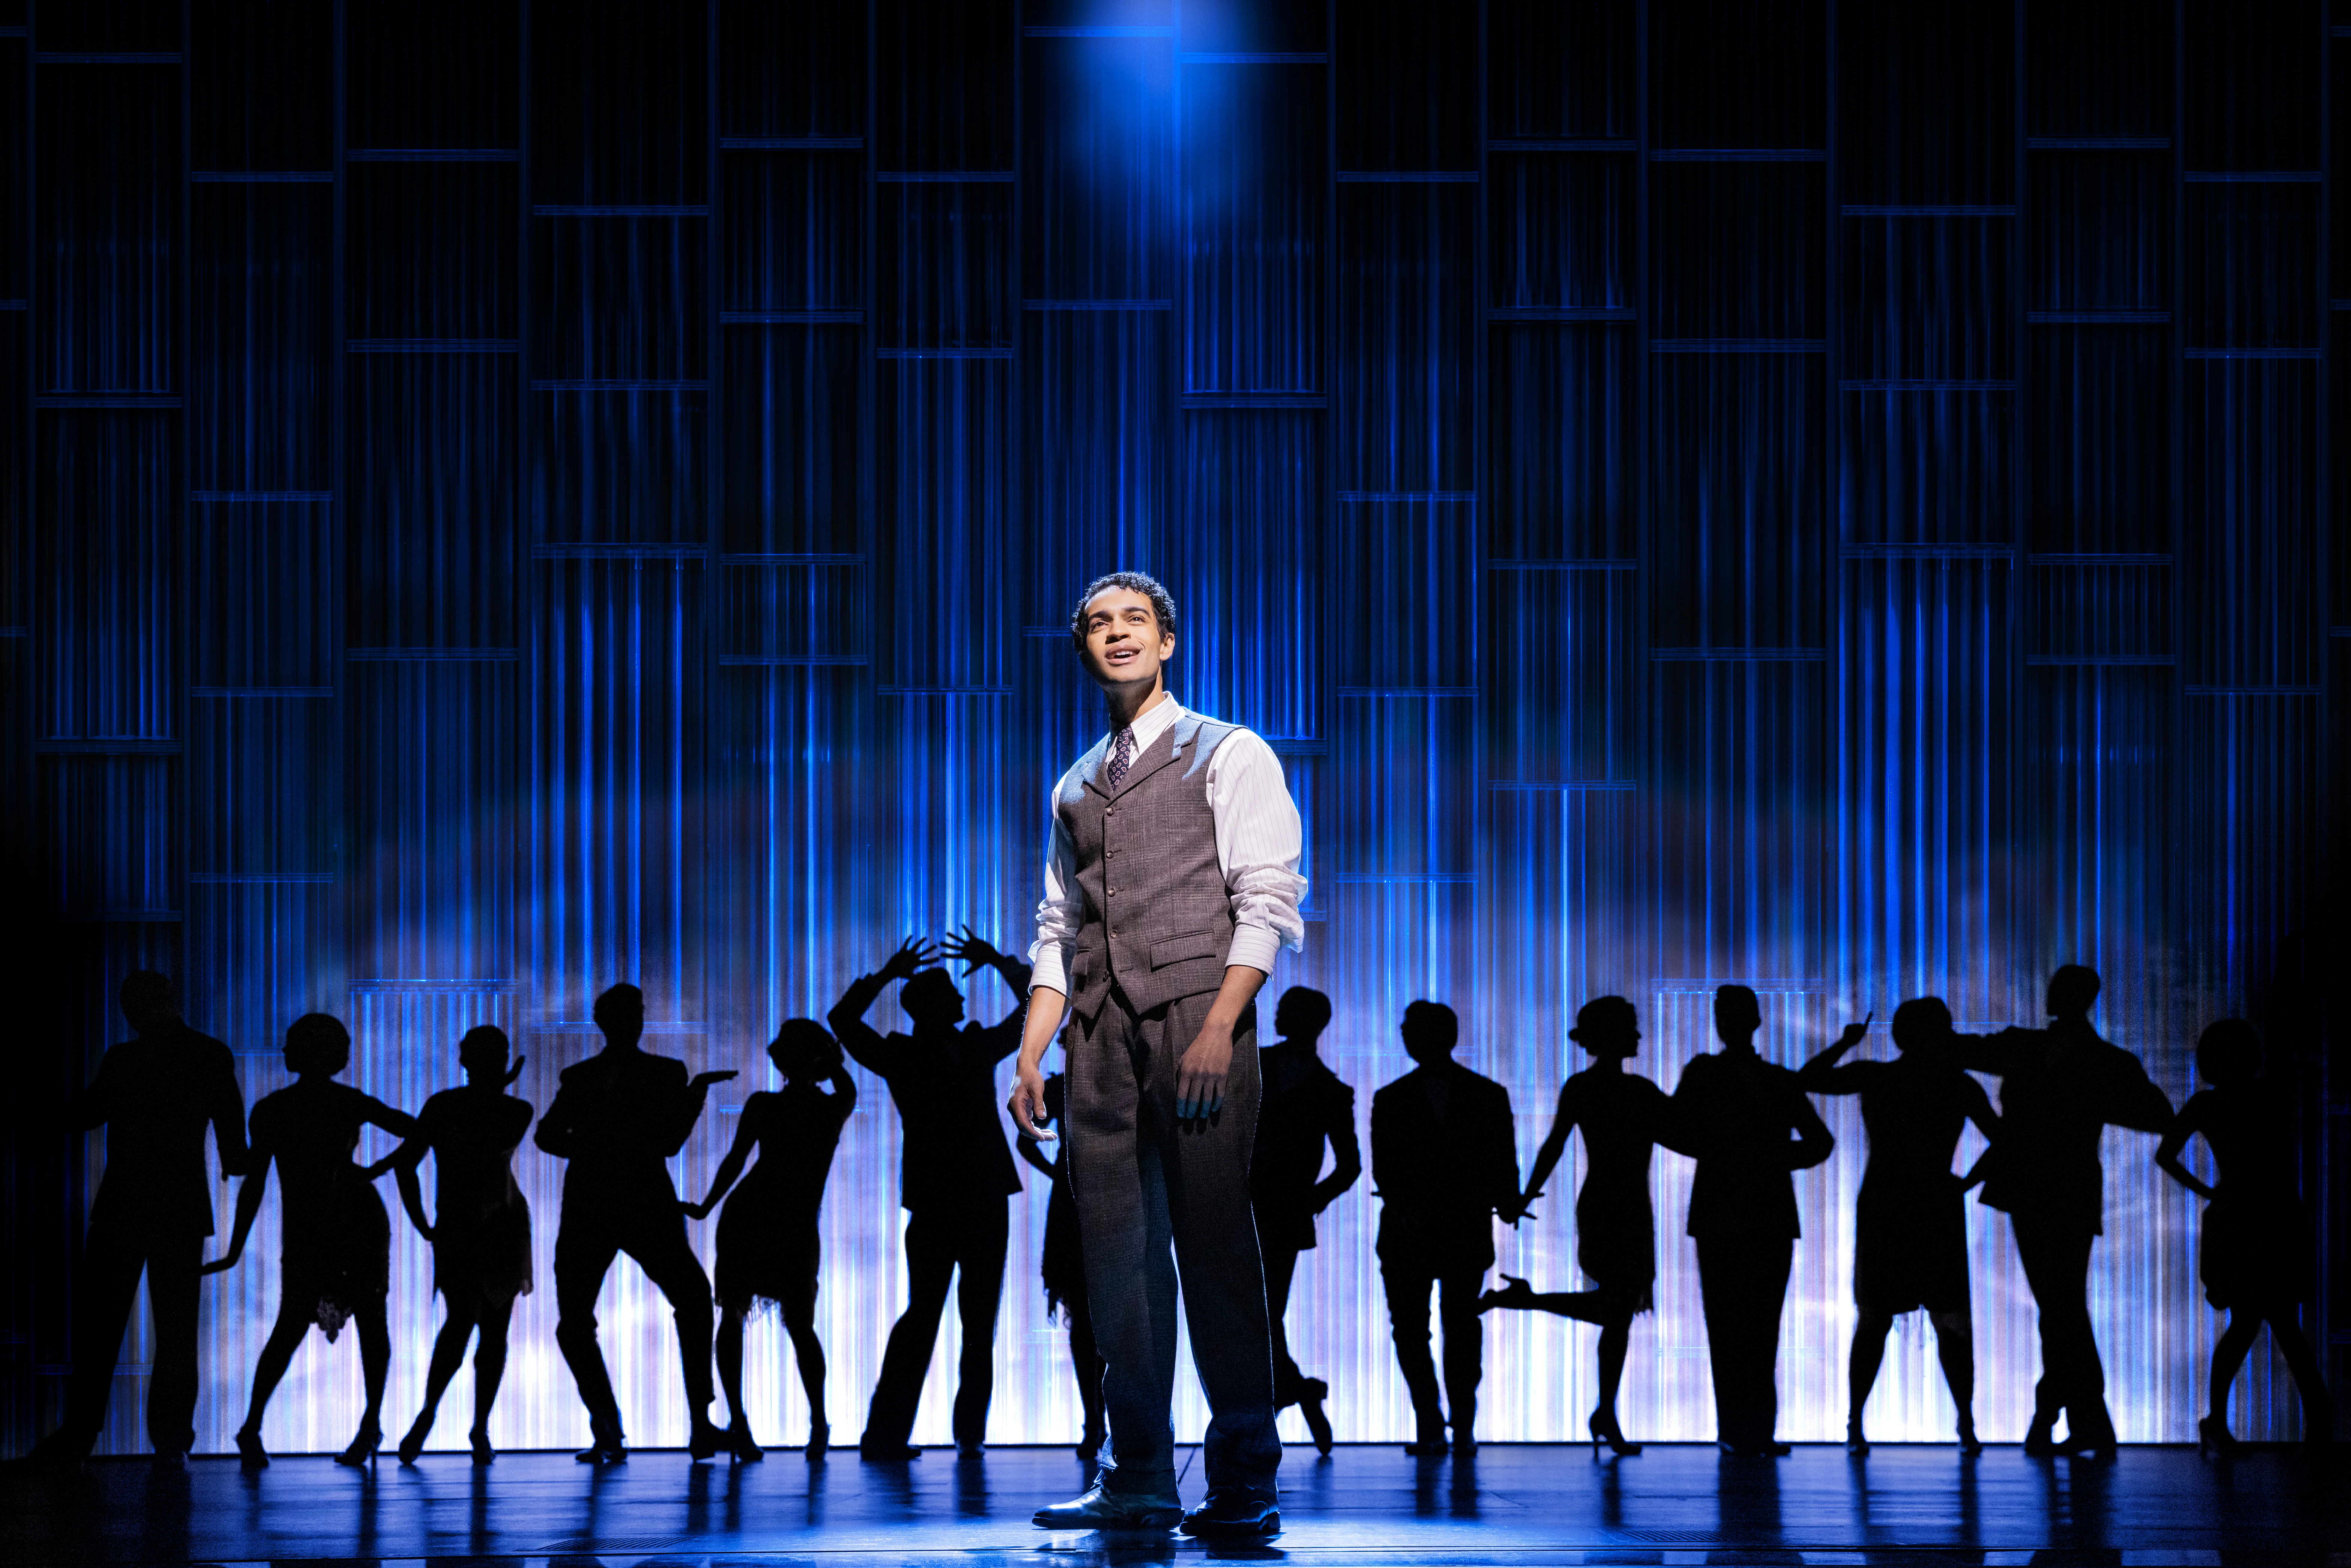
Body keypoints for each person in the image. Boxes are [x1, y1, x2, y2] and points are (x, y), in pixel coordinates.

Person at [1009, 570, 1306, 1537]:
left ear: (1167, 642)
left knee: (1218, 1245)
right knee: (1116, 1263)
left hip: (1194, 1020)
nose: (1117, 635)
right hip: (1095, 1035)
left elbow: (1266, 900)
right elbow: (1058, 925)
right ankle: (1137, 1470)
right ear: (1082, 647)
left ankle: (1244, 1479)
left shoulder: (1230, 751)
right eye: (1098, 623)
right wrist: (1028, 1055)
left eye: (1135, 620)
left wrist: (1220, 1027)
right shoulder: (1074, 784)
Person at [14, 971, 246, 1470]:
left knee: (100, 1328)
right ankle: (171, 1441)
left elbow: (84, 1115)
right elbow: (234, 1144)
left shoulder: (125, 1059)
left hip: (123, 1205)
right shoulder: (209, 1054)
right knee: (177, 1332)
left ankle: (79, 1437)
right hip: (180, 1210)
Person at [1955, 965, 2171, 1459]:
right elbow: (1964, 1050)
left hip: (2047, 1187)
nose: (2053, 992)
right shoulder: (2084, 1056)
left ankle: (2058, 1417)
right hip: (2048, 1188)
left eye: (2062, 987)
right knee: (2062, 1306)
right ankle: (2078, 1421)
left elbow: (2157, 1115)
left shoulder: (2065, 1055)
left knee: (2060, 1307)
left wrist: (2082, 1101)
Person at [830, 928, 1029, 1459]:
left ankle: (948, 1435)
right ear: (931, 1007)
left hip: (964, 1197)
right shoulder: (932, 1050)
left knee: (961, 1318)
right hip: (962, 1198)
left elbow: (844, 1023)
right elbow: (842, 1024)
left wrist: (889, 978)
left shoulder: (952, 1047)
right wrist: (997, 964)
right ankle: (906, 1435)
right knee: (940, 1316)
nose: (963, 1001)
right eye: (952, 995)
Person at [203, 1013, 418, 1469]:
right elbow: (419, 1130)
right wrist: (377, 1171)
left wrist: (235, 1249)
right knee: (362, 1325)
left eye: (291, 1044)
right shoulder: (343, 1102)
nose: (283, 1051)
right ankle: (366, 1425)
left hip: (321, 1225)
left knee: (296, 1326)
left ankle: (257, 1428)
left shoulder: (275, 1109)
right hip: (350, 1220)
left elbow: (256, 1183)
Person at [1480, 994, 1691, 1456]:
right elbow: (1687, 1139)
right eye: (1632, 1028)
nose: (1639, 1036)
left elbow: (1553, 1147)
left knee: (1616, 1313)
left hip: (1608, 1206)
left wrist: (1522, 1197)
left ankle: (1603, 1408)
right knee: (1617, 1311)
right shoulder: (1640, 1093)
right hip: (1627, 1209)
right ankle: (1603, 1408)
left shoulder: (1589, 1088)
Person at [534, 983, 736, 1464]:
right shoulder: (587, 1076)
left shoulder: (656, 1073)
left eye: (638, 1013)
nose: (636, 1021)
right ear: (607, 1021)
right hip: (614, 1205)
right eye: (629, 1013)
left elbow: (668, 1143)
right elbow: (547, 1135)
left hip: (625, 1204)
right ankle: (619, 1426)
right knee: (580, 1322)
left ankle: (679, 1424)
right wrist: (598, 1148)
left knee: (687, 1301)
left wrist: (693, 1098)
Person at [1797, 998, 2000, 1454]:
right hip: (1933, 1203)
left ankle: (1857, 1425)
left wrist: (1845, 1043)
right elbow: (2006, 1142)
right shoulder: (1958, 1084)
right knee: (1948, 1320)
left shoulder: (1878, 1075)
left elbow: (1807, 1079)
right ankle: (1964, 1423)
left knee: (1876, 1318)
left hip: (1886, 1203)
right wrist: (1964, 1184)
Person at [2154, 1018, 2332, 1453]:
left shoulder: (2208, 1104)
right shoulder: (2271, 1094)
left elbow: (2166, 1156)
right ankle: (2317, 1427)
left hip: (2239, 1216)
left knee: (2249, 1324)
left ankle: (2220, 1422)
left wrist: (2211, 1192)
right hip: (2272, 1215)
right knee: (2281, 1324)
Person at [685, 1017, 858, 1462]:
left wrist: (707, 1205)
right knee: (793, 1325)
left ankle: (749, 1425)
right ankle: (807, 1424)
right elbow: (737, 1159)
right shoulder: (833, 1104)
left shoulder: (771, 1104)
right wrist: (827, 1052)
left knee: (746, 1320)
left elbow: (737, 1161)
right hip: (779, 1222)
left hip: (760, 1218)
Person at [1673, 984, 1835, 1457]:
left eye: (1733, 1014)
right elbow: (1677, 1130)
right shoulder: (1736, 1076)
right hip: (1745, 1213)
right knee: (1742, 1326)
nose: (1730, 1023)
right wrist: (1760, 1156)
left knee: (1750, 1326)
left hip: (1747, 1213)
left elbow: (1820, 1142)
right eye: (1726, 1014)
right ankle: (1746, 1431)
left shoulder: (1760, 1078)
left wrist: (1749, 1156)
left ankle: (1748, 1431)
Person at [374, 1024, 535, 1466]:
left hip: (482, 1226)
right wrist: (425, 1225)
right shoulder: (511, 1107)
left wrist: (425, 1224)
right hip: (485, 1225)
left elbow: (411, 1163)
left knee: (473, 1325)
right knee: (473, 1325)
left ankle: (450, 1421)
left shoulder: (456, 1107)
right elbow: (413, 1163)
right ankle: (462, 1424)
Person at [1370, 1000, 1521, 1458]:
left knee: (1421, 1330)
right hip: (1458, 1229)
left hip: (1416, 1232)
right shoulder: (1487, 1094)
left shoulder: (1392, 1098)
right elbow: (1504, 1166)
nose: (1407, 1037)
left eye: (1413, 1030)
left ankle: (1435, 1423)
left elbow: (1386, 1171)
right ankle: (1454, 1424)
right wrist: (1507, 1202)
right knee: (1456, 1328)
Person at [1250, 985, 1358, 1456]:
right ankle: (1294, 1390)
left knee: (1261, 1313)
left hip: (1258, 1207)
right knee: (1264, 1311)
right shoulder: (1327, 1088)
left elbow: (1350, 1166)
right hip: (1267, 1209)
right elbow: (1349, 1167)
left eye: (1285, 1011)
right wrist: (1311, 1199)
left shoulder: (1254, 1066)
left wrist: (1308, 1200)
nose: (1277, 1015)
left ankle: (1288, 1392)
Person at [1014, 1043, 1106, 1464]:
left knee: (1087, 1321)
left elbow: (1027, 1142)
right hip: (1086, 1201)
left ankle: (1097, 1423)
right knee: (1091, 1319)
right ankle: (1098, 1421)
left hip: (1079, 1201)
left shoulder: (1061, 1086)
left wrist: (1059, 1172)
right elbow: (1027, 1141)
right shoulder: (1064, 1086)